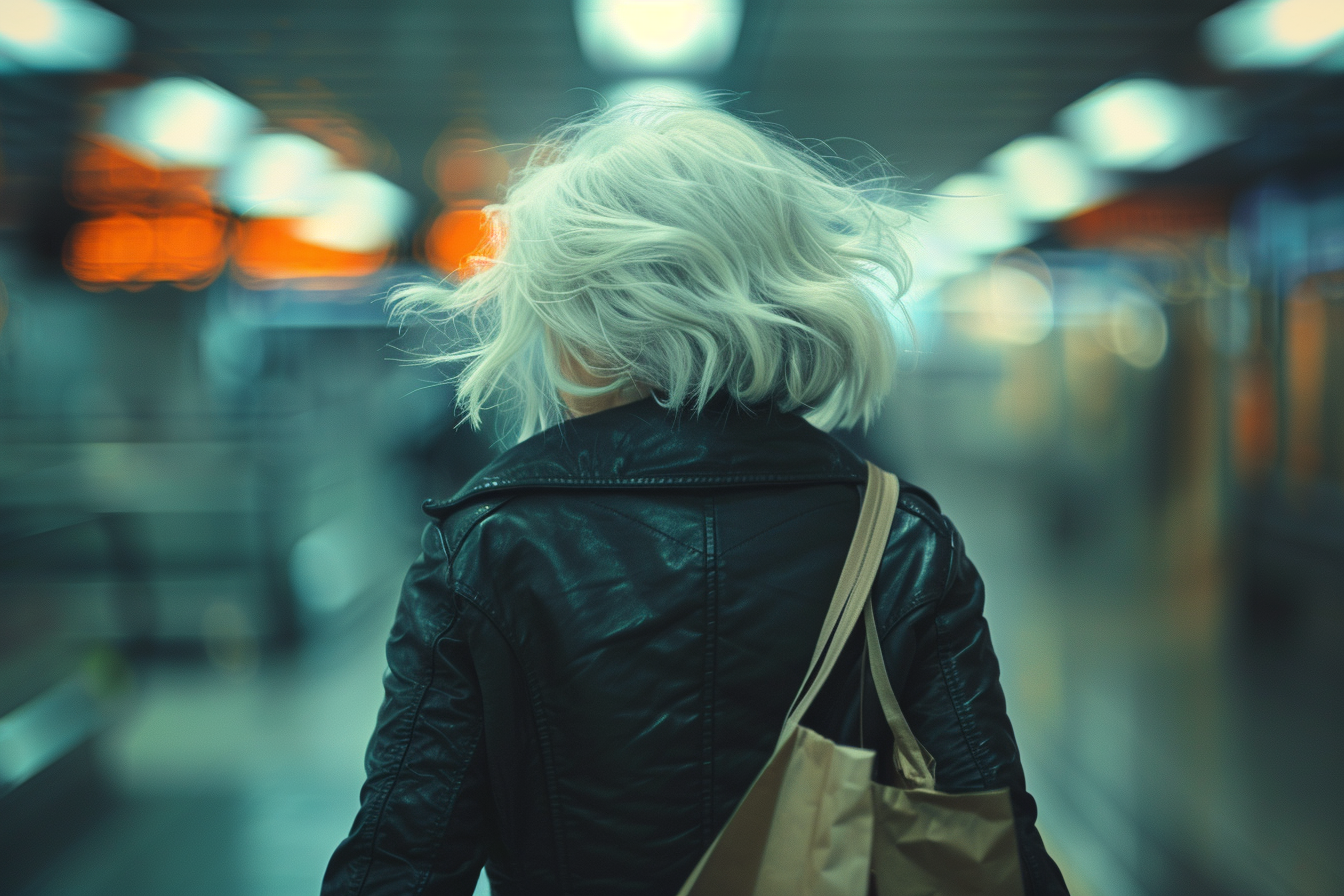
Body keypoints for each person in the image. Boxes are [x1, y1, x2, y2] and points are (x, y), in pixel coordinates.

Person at [321, 96, 1069, 896]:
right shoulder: (896, 538)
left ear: (589, 320)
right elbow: (993, 863)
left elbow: (401, 861)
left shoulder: (491, 543)